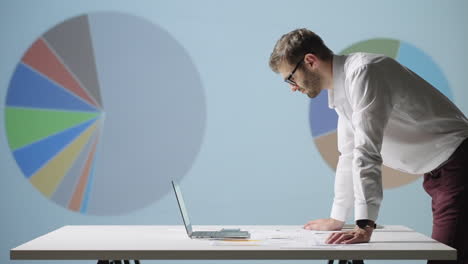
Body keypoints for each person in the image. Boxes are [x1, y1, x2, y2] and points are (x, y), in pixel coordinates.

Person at [268, 28, 468, 264]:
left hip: (458, 163)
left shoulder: (364, 72)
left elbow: (367, 150)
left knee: (445, 259)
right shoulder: (343, 89)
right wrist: (337, 218)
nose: (293, 87)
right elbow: (349, 155)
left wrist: (364, 224)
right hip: (442, 172)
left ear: (310, 61)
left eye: (291, 78)